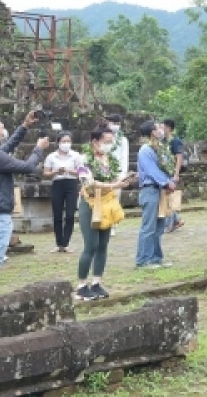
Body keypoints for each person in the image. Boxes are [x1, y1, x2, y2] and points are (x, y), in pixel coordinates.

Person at [0, 111, 50, 298]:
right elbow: (28, 167)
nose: (4, 130)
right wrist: (38, 148)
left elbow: (8, 146)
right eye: (1, 128)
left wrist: (25, 126)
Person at [76, 123, 135, 300]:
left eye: (111, 142)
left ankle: (96, 282)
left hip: (107, 203)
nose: (109, 145)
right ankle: (81, 285)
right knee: (91, 245)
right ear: (95, 141)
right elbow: (88, 183)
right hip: (90, 203)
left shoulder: (108, 159)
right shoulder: (84, 159)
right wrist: (114, 185)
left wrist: (123, 181)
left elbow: (112, 178)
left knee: (103, 245)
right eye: (106, 141)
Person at [135, 120, 177, 268]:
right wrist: (167, 182)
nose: (162, 129)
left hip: (161, 190)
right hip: (150, 189)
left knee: (160, 225)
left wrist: (170, 180)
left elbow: (166, 167)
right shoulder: (145, 150)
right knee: (149, 226)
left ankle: (155, 257)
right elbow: (152, 171)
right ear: (152, 132)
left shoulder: (160, 148)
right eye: (158, 127)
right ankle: (143, 259)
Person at [43, 130, 84, 253]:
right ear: (58, 143)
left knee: (70, 214)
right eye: (63, 141)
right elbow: (46, 173)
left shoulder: (76, 155)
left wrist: (69, 171)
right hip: (58, 184)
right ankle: (59, 243)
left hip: (71, 184)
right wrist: (56, 172)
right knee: (57, 214)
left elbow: (82, 172)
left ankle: (66, 243)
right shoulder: (51, 156)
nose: (66, 143)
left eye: (68, 141)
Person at [163, 119, 185, 233]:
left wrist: (176, 173)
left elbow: (179, 157)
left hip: (172, 172)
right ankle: (177, 220)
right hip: (164, 172)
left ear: (168, 128)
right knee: (166, 198)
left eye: (163, 127)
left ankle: (170, 224)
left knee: (170, 198)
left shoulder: (175, 141)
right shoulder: (163, 141)